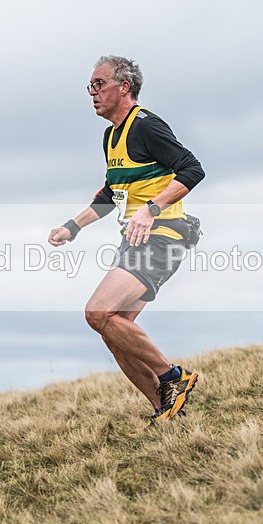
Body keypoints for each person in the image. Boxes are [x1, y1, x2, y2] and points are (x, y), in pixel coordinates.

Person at [47, 55, 205, 423]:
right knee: (113, 330)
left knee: (97, 313)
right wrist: (73, 226)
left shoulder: (147, 126)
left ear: (124, 87)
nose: (92, 92)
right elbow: (111, 193)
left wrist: (151, 208)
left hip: (164, 237)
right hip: (134, 242)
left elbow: (192, 169)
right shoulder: (111, 136)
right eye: (90, 85)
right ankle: (166, 409)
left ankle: (173, 375)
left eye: (99, 84)